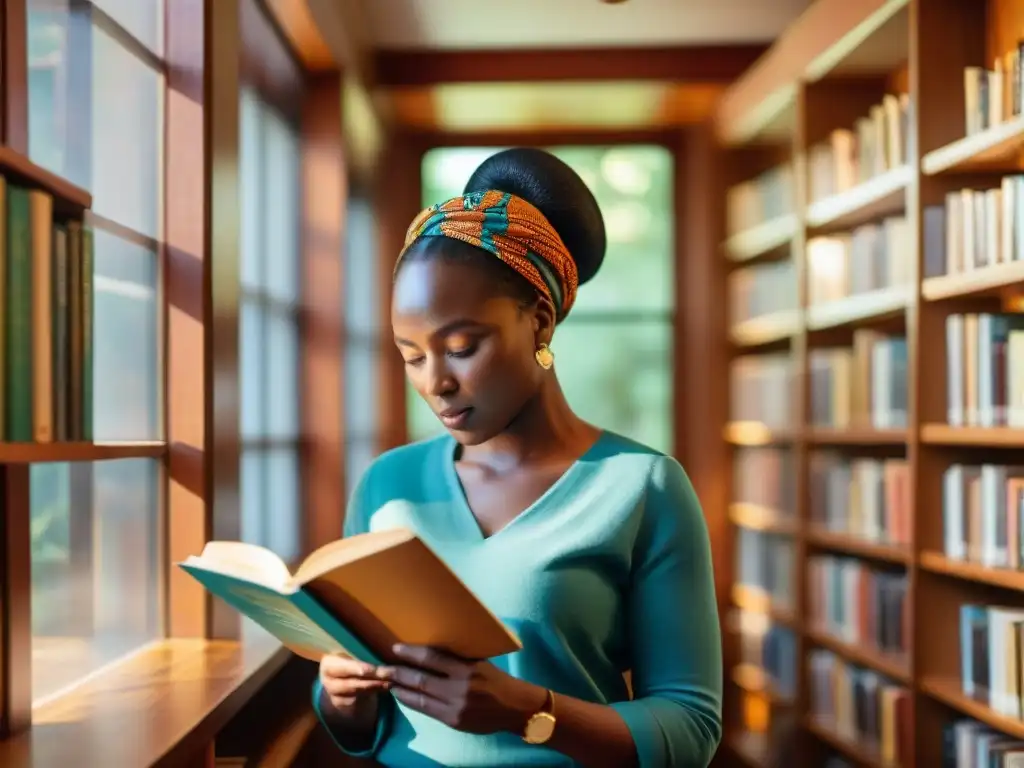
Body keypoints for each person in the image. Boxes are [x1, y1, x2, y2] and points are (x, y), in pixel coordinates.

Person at [312, 147, 723, 768]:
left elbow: (691, 728)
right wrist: (341, 695)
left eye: (461, 346)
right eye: (412, 355)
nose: (436, 383)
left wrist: (528, 711)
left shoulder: (643, 487)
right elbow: (359, 732)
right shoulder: (385, 487)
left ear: (539, 322)